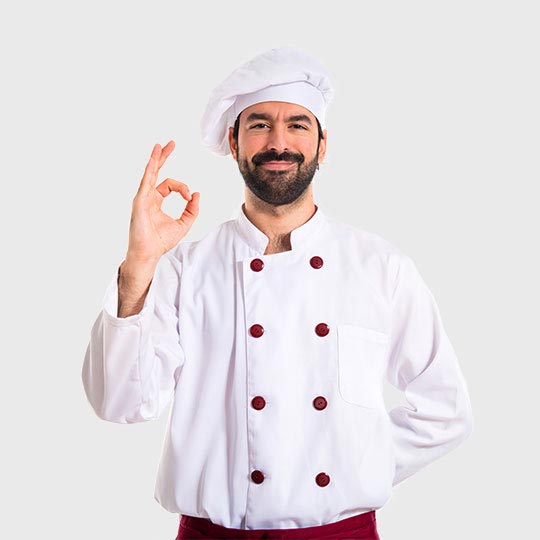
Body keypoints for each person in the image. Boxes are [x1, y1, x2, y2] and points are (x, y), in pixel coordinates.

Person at [82, 47, 473, 540]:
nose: (279, 142)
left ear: (322, 145)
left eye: (298, 125)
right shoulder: (184, 268)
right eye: (260, 124)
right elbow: (119, 403)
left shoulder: (380, 267)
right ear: (234, 141)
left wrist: (353, 466)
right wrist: (139, 262)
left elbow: (446, 412)